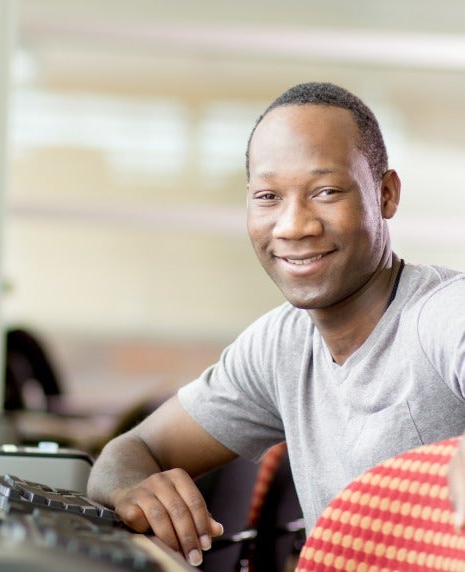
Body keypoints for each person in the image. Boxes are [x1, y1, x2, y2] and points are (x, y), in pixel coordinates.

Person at [87, 82, 465, 567]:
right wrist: (135, 489)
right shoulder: (280, 343)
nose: (293, 225)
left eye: (326, 191)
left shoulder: (440, 312)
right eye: (268, 196)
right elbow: (132, 449)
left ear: (386, 195)